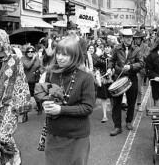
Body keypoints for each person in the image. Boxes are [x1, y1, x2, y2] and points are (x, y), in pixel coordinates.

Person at [34, 37, 95, 165]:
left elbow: (87, 107)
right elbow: (41, 93)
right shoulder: (51, 73)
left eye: (65, 54)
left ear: (75, 56)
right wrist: (44, 102)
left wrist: (60, 109)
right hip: (54, 133)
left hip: (77, 136)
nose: (60, 57)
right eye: (58, 53)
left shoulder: (86, 77)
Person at [0, 29, 32, 165]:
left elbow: (21, 81)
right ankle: (3, 161)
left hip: (9, 104)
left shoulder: (15, 60)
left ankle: (14, 152)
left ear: (5, 41)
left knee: (4, 137)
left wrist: (22, 105)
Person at [106, 29, 145, 136]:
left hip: (132, 78)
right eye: (126, 37)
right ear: (122, 38)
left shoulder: (137, 49)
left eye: (131, 37)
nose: (129, 39)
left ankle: (128, 121)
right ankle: (117, 126)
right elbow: (112, 61)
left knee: (131, 102)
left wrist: (131, 66)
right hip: (119, 78)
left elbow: (142, 63)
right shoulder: (116, 48)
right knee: (116, 103)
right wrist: (109, 68)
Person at [94, 43, 114, 123]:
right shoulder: (100, 58)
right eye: (105, 47)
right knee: (104, 97)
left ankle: (113, 110)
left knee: (113, 96)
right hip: (103, 79)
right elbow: (96, 66)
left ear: (111, 48)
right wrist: (98, 72)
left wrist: (113, 71)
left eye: (108, 47)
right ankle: (104, 115)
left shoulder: (114, 57)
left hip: (112, 79)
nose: (107, 48)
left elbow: (117, 65)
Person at [133, 30, 150, 112]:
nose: (136, 40)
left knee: (139, 88)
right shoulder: (131, 46)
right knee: (132, 88)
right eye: (135, 38)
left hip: (140, 69)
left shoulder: (146, 47)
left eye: (138, 38)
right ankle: (132, 103)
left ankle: (139, 103)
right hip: (132, 68)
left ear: (141, 39)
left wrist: (138, 51)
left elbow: (146, 57)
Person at [22, 46, 42, 115]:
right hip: (27, 81)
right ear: (26, 52)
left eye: (32, 51)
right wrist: (33, 58)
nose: (30, 53)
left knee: (36, 95)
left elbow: (40, 67)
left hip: (36, 80)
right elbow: (27, 66)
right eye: (28, 51)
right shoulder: (23, 58)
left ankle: (39, 108)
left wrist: (39, 71)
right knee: (26, 97)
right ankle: (25, 113)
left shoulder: (38, 59)